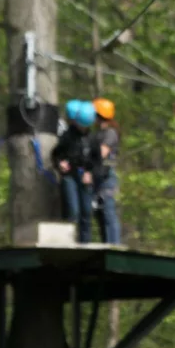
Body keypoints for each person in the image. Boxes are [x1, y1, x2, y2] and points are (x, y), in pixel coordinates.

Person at [53, 99, 97, 243]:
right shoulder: (67, 136)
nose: (82, 128)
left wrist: (90, 172)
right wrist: (60, 164)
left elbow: (97, 160)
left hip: (85, 179)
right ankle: (68, 243)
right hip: (70, 177)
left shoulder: (92, 138)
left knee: (86, 213)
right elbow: (56, 154)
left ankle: (85, 243)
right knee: (73, 211)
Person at [91, 97, 121, 244]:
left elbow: (101, 154)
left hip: (106, 179)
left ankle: (114, 246)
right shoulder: (96, 133)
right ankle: (105, 244)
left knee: (108, 214)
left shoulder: (110, 133)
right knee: (100, 215)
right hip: (97, 178)